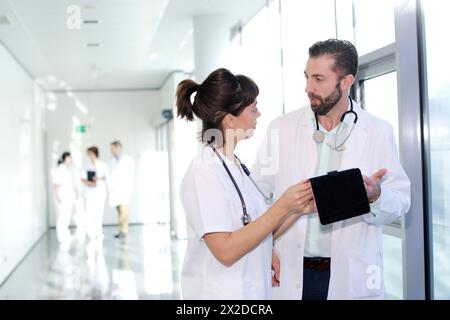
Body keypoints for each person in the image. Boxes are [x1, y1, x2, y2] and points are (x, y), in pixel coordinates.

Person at [253, 39, 411, 300]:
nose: (308, 88)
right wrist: (263, 246)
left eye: (319, 79)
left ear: (347, 81)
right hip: (292, 269)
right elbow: (257, 195)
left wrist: (376, 196)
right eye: (307, 77)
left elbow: (402, 201)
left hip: (349, 273)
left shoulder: (377, 132)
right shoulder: (281, 129)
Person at [176, 68, 315, 300]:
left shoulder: (237, 167)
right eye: (254, 109)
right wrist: (283, 205)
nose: (258, 115)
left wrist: (297, 208)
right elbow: (226, 251)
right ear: (230, 120)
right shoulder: (203, 172)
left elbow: (257, 230)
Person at [107, 141, 135, 239]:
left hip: (124, 190)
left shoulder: (128, 160)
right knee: (120, 212)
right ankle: (121, 230)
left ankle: (124, 231)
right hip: (115, 191)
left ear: (118, 147)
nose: (111, 151)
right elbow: (110, 176)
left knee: (123, 212)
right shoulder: (112, 161)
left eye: (112, 148)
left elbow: (129, 175)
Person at [81, 146, 108, 241]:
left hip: (100, 192)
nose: (89, 155)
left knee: (99, 213)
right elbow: (82, 178)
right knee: (90, 213)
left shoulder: (103, 165)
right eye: (88, 153)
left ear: (95, 153)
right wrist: (88, 182)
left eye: (91, 153)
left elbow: (107, 177)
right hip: (89, 192)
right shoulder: (85, 165)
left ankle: (98, 232)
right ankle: (91, 232)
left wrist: (98, 178)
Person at [52, 152, 79, 244]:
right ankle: (61, 237)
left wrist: (76, 193)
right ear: (64, 159)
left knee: (67, 217)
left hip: (69, 197)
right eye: (69, 158)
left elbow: (72, 183)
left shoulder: (70, 169)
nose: (70, 160)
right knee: (62, 218)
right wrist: (58, 197)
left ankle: (66, 235)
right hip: (62, 197)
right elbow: (56, 185)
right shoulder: (60, 169)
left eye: (71, 158)